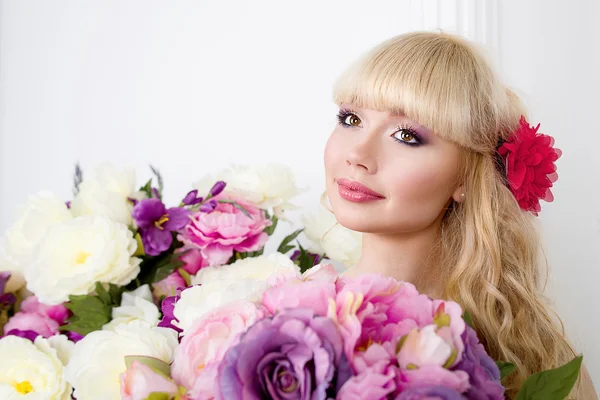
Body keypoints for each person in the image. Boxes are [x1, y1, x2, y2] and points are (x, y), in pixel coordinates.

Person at [323, 31, 597, 399]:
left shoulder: (533, 354)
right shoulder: (286, 321)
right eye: (351, 118)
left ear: (466, 177)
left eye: (406, 135)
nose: (357, 154)